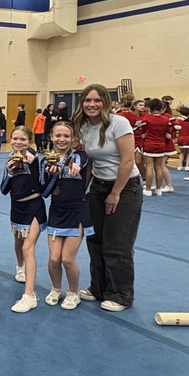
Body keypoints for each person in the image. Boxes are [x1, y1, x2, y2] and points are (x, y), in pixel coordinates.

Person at [73, 83, 141, 312]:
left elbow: (128, 161)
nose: (92, 105)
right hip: (99, 186)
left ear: (106, 102)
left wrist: (115, 193)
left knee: (117, 243)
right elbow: (92, 161)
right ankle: (98, 287)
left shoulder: (119, 123)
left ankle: (121, 294)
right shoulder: (84, 127)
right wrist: (82, 188)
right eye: (87, 101)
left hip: (124, 187)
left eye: (97, 100)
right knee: (95, 240)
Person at [40, 121, 91, 310]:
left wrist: (74, 166)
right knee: (54, 258)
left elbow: (79, 162)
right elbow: (44, 192)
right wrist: (51, 176)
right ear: (51, 137)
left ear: (72, 139)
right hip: (57, 212)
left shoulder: (80, 156)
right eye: (58, 136)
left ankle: (73, 292)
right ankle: (56, 288)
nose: (62, 139)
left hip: (77, 212)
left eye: (66, 136)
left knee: (67, 259)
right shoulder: (46, 161)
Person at [0, 126, 46, 313]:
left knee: (28, 247)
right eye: (15, 139)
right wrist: (10, 173)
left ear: (30, 141)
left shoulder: (37, 159)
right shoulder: (9, 161)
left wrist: (34, 163)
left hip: (34, 206)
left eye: (23, 139)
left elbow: (44, 186)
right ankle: (20, 267)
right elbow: (3, 189)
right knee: (19, 243)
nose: (18, 142)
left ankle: (29, 295)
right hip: (17, 208)